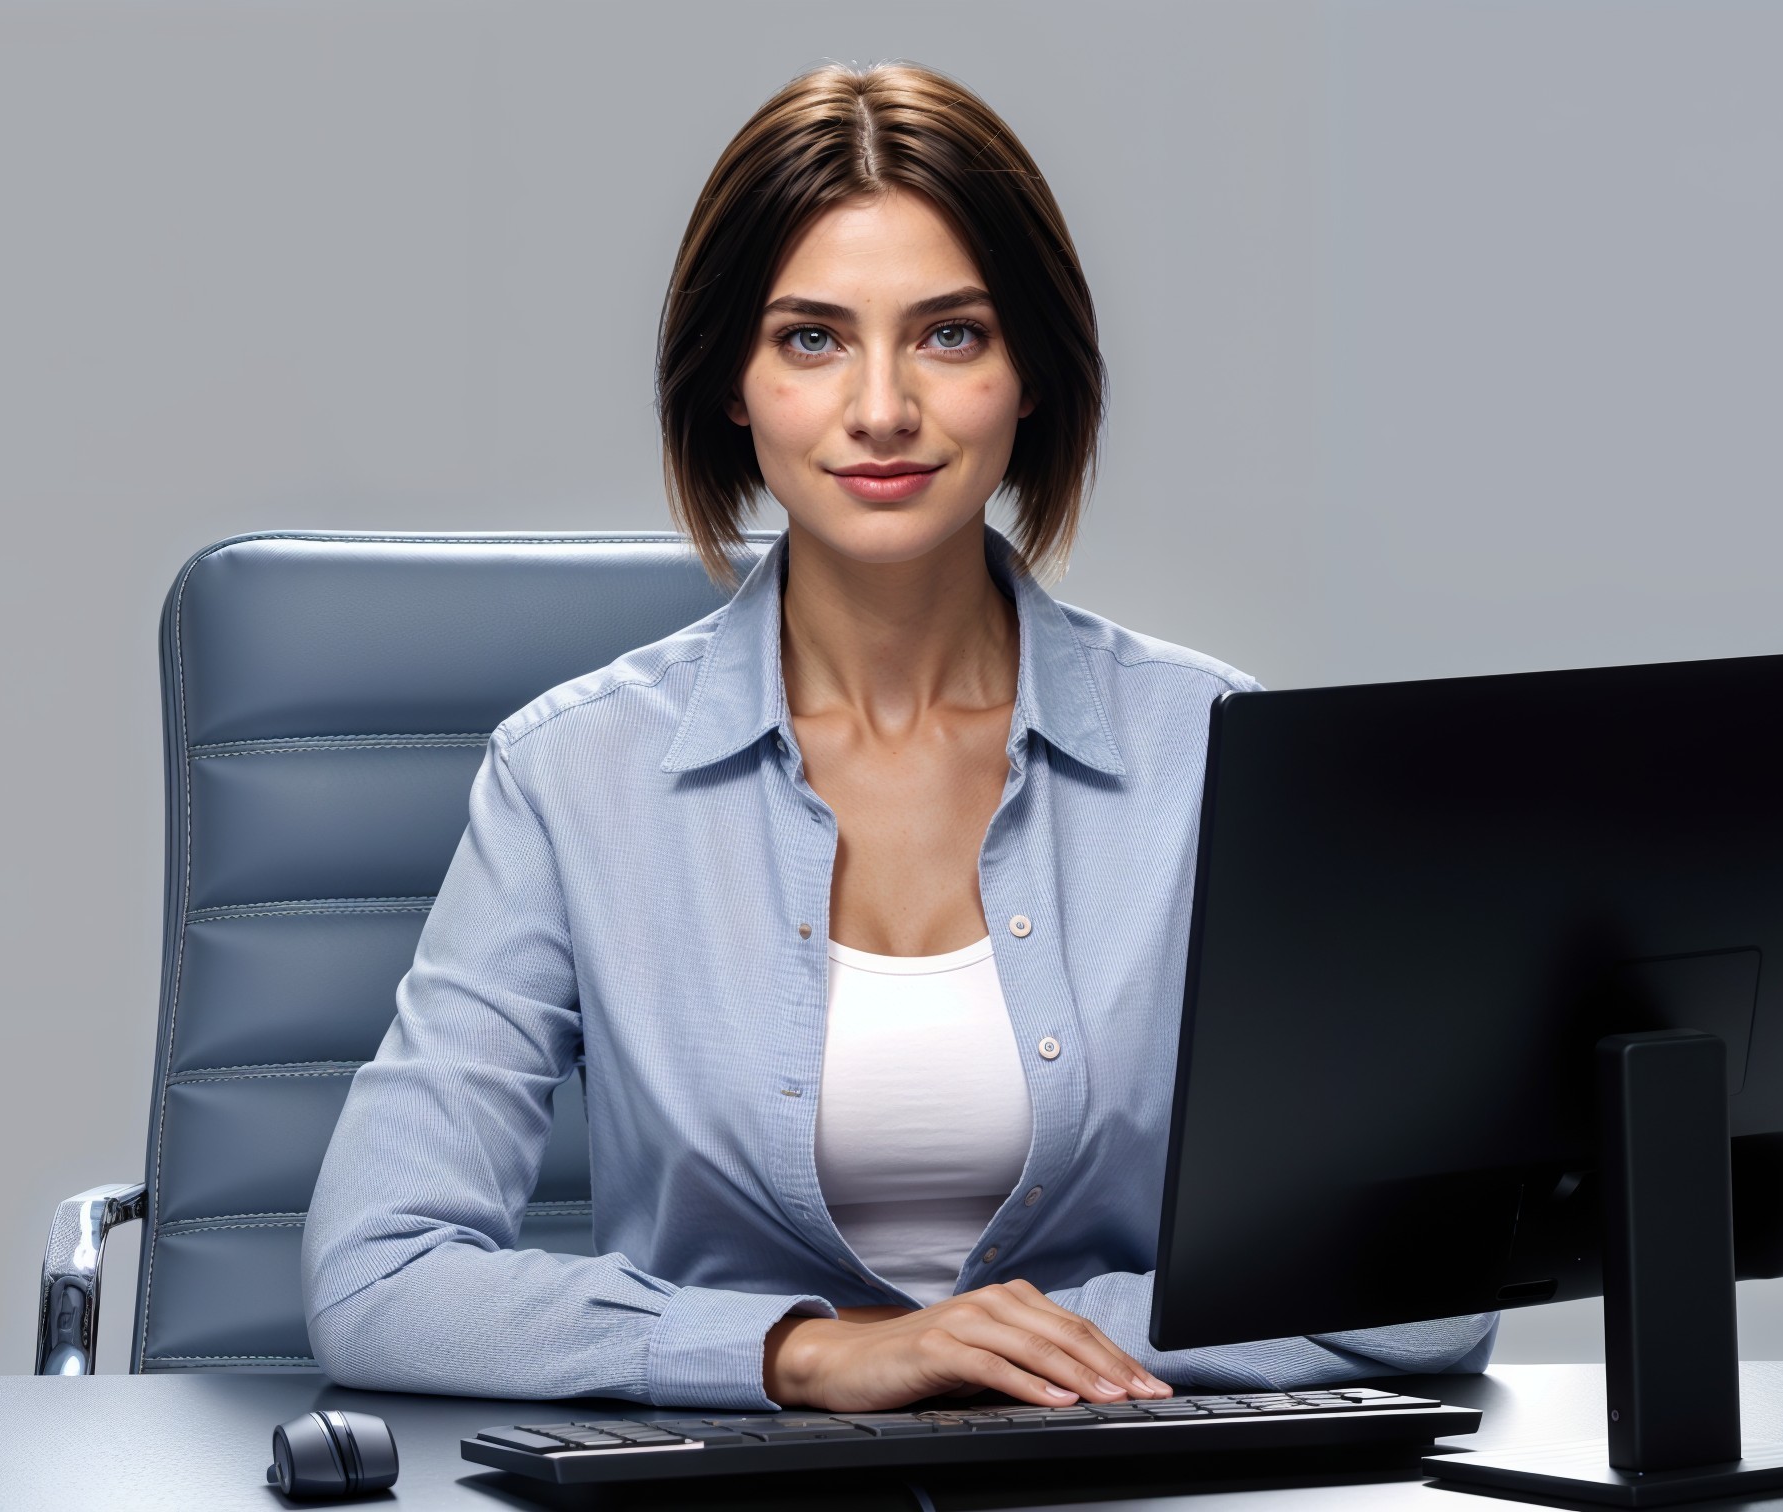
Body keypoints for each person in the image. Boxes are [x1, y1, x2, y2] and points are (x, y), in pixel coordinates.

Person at [302, 61, 1495, 1413]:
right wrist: (805, 1353)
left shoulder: (1218, 752)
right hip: (734, 1506)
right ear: (732, 387)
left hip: (1125, 1488)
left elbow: (1430, 1296)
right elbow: (377, 1276)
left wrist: (1026, 1344)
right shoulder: (571, 780)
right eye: (812, 338)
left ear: (1031, 373)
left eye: (950, 334)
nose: (882, 408)